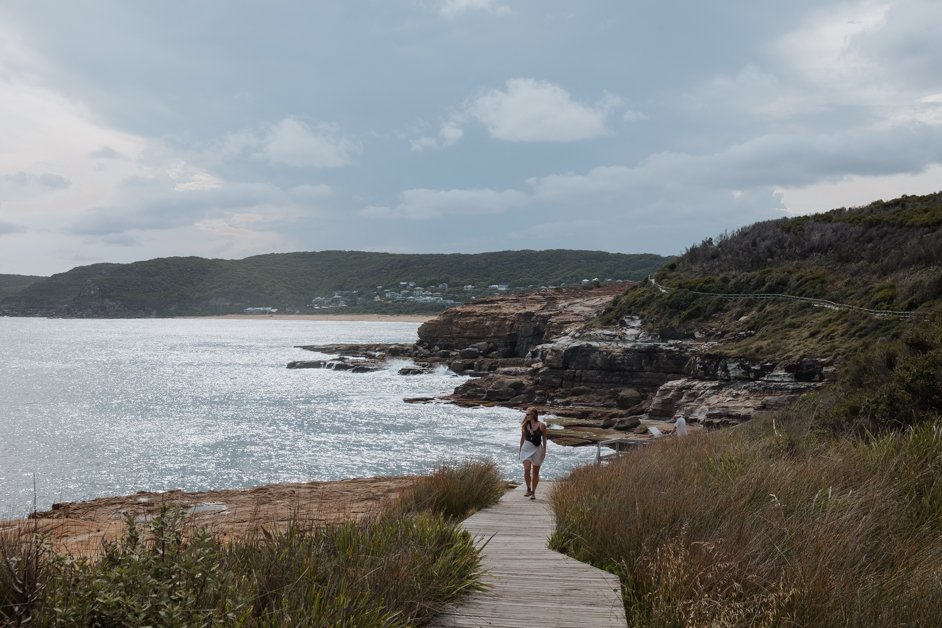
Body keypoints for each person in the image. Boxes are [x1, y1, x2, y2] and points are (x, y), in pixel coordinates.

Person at [518, 408, 548, 500]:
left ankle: (533, 492)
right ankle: (528, 488)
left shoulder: (541, 425)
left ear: (533, 415)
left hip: (537, 449)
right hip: (526, 448)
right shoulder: (524, 425)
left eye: (528, 414)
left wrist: (544, 451)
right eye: (526, 414)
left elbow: (544, 439)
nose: (526, 416)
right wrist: (520, 451)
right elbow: (522, 439)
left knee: (535, 472)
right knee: (527, 469)